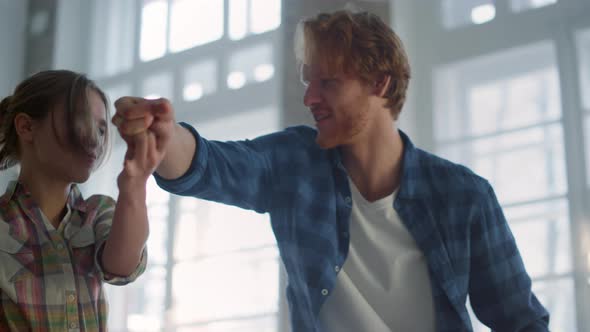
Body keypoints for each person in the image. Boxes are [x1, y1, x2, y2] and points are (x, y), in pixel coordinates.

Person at [112, 10, 550, 332]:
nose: (309, 98)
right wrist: (163, 134)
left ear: (379, 83)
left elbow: (522, 322)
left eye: (329, 83)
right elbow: (210, 163)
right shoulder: (294, 165)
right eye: (308, 80)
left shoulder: (463, 195)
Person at [0, 70, 162, 331]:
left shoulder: (98, 212)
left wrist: (135, 182)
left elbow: (123, 266)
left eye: (100, 128)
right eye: (80, 120)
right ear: (26, 127)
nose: (96, 139)